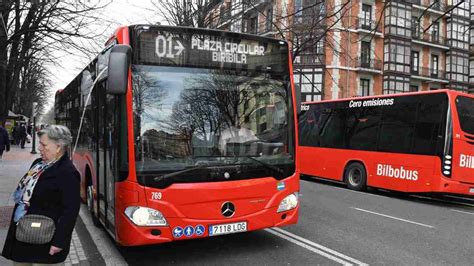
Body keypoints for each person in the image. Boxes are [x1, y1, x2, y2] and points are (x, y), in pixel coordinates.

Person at [1, 125, 80, 265]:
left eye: (44, 145)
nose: (39, 148)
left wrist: (59, 242)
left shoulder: (68, 173)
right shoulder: (38, 164)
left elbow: (70, 211)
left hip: (46, 239)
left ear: (58, 147)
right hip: (23, 234)